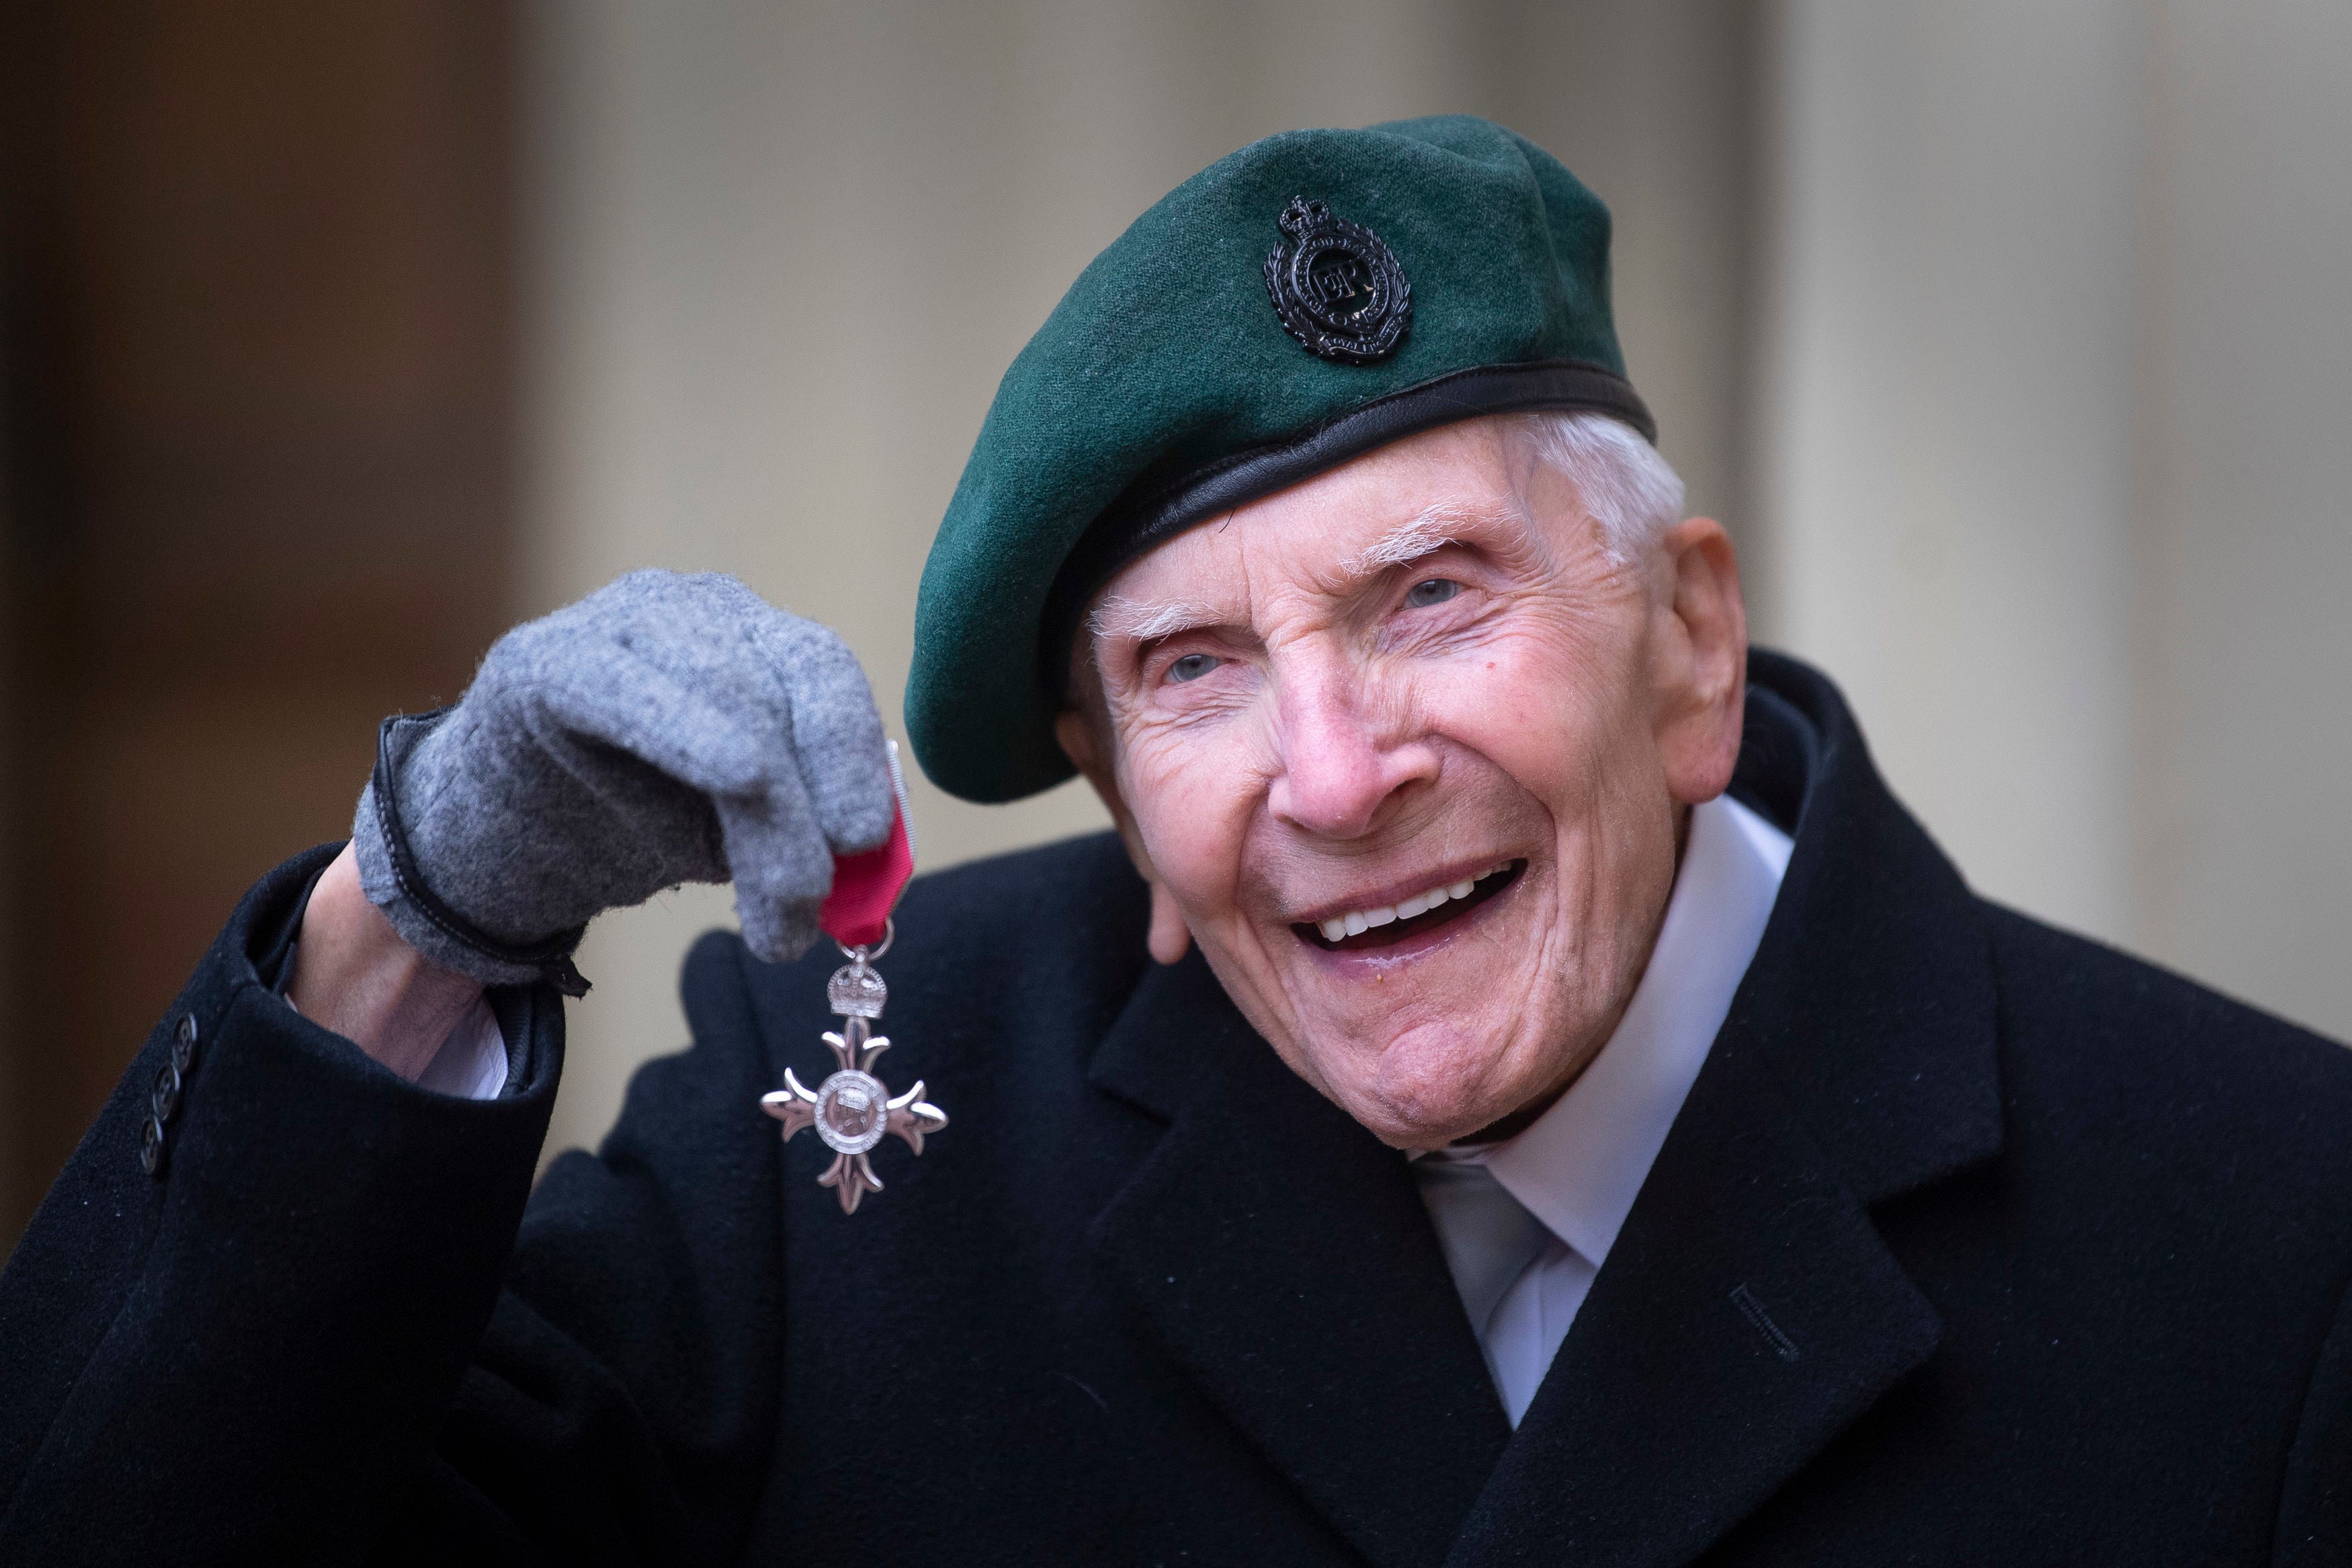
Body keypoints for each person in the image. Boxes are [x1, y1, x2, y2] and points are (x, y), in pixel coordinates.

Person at [4, 116, 2349, 1567]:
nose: (1330, 778)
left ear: (1690, 646)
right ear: (1123, 805)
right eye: (1191, 674)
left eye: (1431, 597)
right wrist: (419, 920)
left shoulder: (2273, 1234)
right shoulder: (854, 1154)